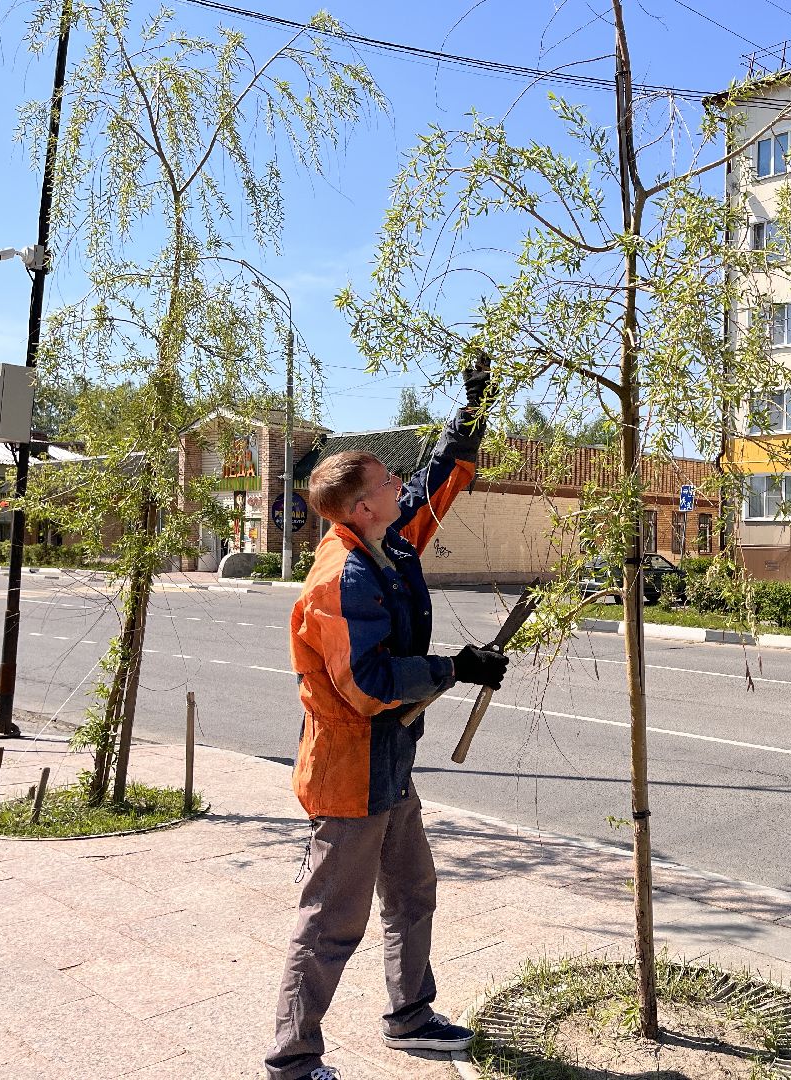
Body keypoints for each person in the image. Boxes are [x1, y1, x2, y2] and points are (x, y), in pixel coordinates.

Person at [265, 364, 508, 1080]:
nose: (401, 488)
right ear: (361, 508)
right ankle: (291, 1062)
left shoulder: (389, 543)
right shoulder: (341, 579)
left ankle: (410, 1018)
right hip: (349, 773)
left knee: (411, 892)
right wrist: (452, 670)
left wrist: (470, 412)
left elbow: (436, 483)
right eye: (386, 484)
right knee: (330, 924)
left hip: (390, 763)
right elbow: (368, 686)